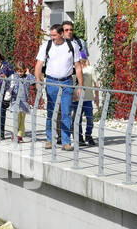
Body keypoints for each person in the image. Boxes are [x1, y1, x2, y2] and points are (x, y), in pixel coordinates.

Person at [36, 22, 83, 150]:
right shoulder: (47, 46)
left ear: (62, 34)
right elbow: (39, 65)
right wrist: (38, 81)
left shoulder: (72, 46)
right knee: (51, 112)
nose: (52, 38)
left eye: (54, 35)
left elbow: (78, 66)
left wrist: (80, 85)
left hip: (67, 82)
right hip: (51, 82)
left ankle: (66, 142)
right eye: (51, 35)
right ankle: (50, 139)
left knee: (66, 112)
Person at [7, 58, 37, 143]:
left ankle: (20, 135)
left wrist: (28, 73)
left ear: (24, 70)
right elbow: (7, 83)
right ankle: (15, 134)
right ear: (16, 70)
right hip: (15, 101)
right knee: (17, 119)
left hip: (24, 102)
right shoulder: (13, 77)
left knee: (22, 119)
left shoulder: (27, 77)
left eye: (22, 71)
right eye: (18, 71)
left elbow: (33, 81)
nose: (20, 73)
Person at [75, 57, 99, 147]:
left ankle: (88, 135)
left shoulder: (90, 69)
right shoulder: (74, 70)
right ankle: (79, 137)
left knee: (90, 118)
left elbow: (96, 83)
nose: (81, 61)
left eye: (82, 60)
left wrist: (97, 97)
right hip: (77, 98)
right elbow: (72, 83)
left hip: (88, 98)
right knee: (78, 119)